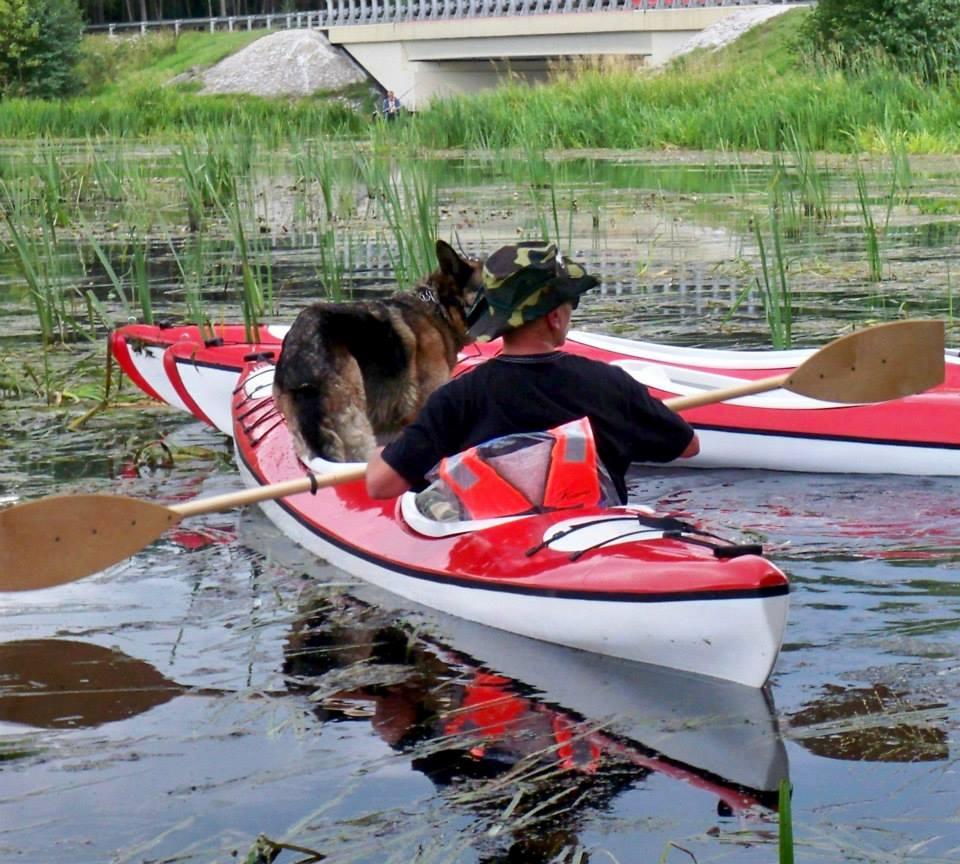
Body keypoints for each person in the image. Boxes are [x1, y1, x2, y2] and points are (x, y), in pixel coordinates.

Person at [366, 241, 700, 504]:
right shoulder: (610, 385)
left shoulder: (457, 398)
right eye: (572, 304)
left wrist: (383, 453)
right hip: (590, 537)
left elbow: (380, 485)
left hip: (495, 548)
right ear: (554, 317)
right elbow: (688, 446)